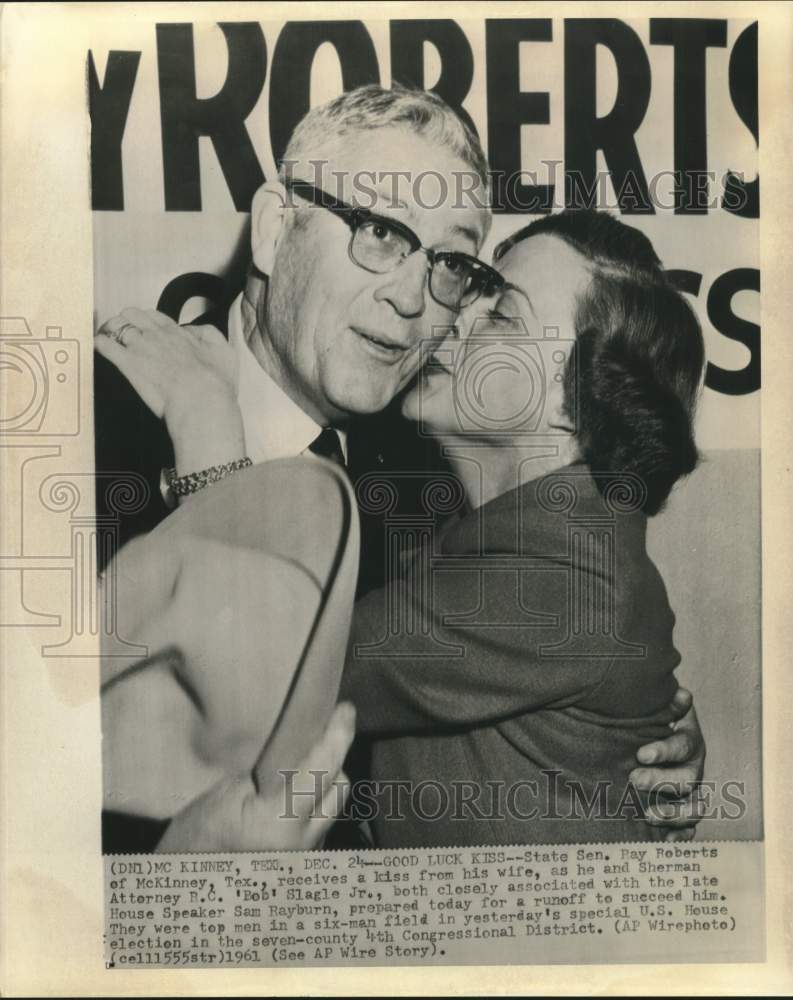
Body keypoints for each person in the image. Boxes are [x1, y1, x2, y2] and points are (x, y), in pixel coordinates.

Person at [95, 85, 704, 850]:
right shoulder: (97, 426)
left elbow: (313, 674)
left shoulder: (422, 482)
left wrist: (648, 721)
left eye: (451, 263)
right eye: (381, 232)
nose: (423, 303)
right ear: (274, 229)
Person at [340, 208, 706, 845]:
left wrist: (208, 446)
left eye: (503, 314)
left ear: (583, 401)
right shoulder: (491, 532)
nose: (454, 319)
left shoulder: (569, 579)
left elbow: (277, 677)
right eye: (476, 295)